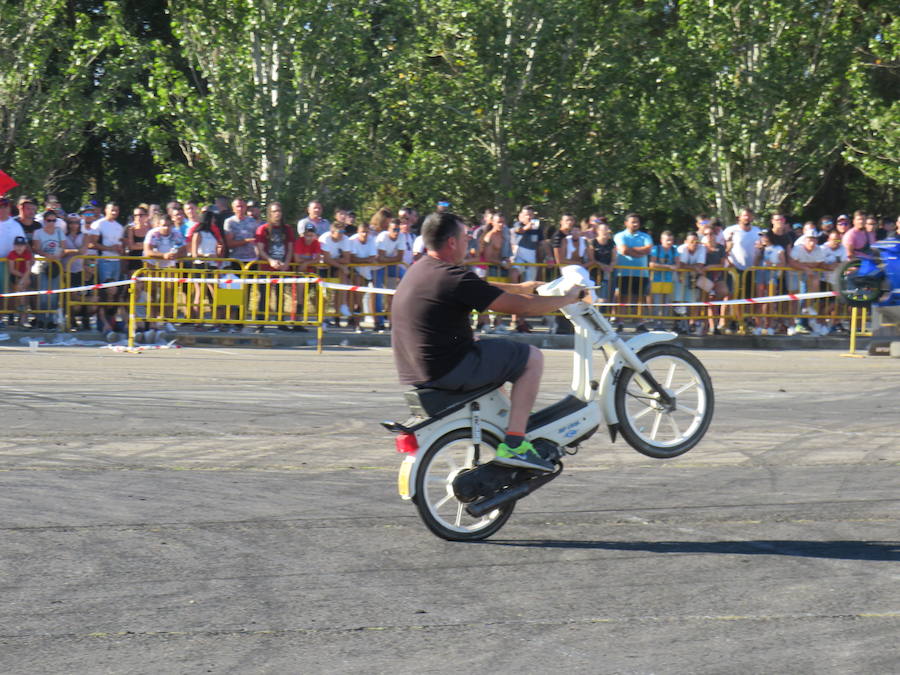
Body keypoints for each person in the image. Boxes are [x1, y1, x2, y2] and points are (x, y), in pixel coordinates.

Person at [391, 212, 582, 472]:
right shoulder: (453, 276)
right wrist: (568, 297)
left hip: (421, 369)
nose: (469, 242)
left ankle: (505, 426)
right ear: (451, 243)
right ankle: (515, 444)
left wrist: (521, 287)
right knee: (531, 358)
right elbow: (521, 309)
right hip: (449, 368)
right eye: (465, 237)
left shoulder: (422, 269)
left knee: (491, 346)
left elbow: (478, 288)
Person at [613, 213, 653, 332]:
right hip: (623, 272)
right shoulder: (620, 235)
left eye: (637, 222)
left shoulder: (645, 236)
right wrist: (640, 252)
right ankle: (620, 322)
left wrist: (631, 251)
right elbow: (623, 250)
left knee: (640, 299)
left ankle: (640, 323)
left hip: (641, 273)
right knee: (623, 298)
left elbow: (648, 249)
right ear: (626, 223)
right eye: (632, 222)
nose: (635, 224)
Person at [31, 210, 66, 328]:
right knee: (43, 294)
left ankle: (51, 319)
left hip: (56, 264)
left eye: (53, 220)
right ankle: (41, 319)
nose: (51, 223)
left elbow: (63, 247)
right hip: (43, 264)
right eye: (49, 220)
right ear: (44, 221)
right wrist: (47, 255)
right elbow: (36, 248)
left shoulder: (59, 232)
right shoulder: (38, 232)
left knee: (54, 294)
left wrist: (58, 256)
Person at [223, 198, 259, 266]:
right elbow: (229, 243)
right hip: (235, 259)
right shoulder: (230, 222)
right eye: (237, 206)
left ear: (245, 208)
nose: (240, 209)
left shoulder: (253, 221)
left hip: (252, 260)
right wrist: (246, 241)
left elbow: (258, 240)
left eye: (242, 206)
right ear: (233, 208)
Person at [6, 236, 32, 326]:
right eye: (17, 245)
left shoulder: (27, 253)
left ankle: (23, 318)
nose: (19, 247)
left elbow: (28, 268)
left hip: (24, 276)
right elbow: (12, 269)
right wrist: (22, 278)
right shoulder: (11, 254)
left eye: (21, 245)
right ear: (13, 246)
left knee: (23, 297)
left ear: (25, 246)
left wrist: (23, 279)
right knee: (13, 297)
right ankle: (12, 316)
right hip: (15, 276)